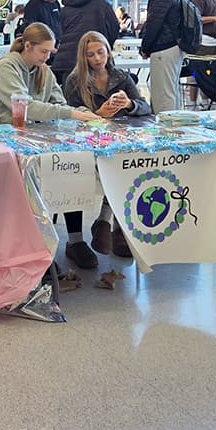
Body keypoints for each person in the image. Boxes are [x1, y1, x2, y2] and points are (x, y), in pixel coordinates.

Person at [62, 31, 151, 265]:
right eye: (90, 54)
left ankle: (111, 223)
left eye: (100, 52)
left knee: (127, 168)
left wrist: (130, 103)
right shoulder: (74, 81)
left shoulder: (122, 77)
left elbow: (145, 107)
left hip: (118, 142)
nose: (97, 58)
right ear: (84, 57)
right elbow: (68, 118)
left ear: (108, 51)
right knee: (74, 177)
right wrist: (97, 115)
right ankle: (77, 239)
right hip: (84, 145)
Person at [0, 22, 97, 126]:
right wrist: (71, 114)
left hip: (27, 133)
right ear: (27, 46)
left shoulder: (45, 71)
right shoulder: (6, 67)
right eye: (43, 51)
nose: (47, 57)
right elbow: (26, 107)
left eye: (50, 52)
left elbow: (60, 105)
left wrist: (82, 112)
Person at [140, 0, 188, 112]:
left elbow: (155, 22)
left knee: (163, 97)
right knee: (170, 93)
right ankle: (173, 131)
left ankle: (165, 133)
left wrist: (145, 47)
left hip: (164, 47)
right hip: (173, 46)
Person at [52, 0, 119, 85]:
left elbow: (59, 32)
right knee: (97, 96)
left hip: (67, 60)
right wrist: (104, 49)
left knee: (69, 98)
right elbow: (114, 28)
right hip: (95, 60)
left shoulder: (65, 8)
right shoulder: (103, 5)